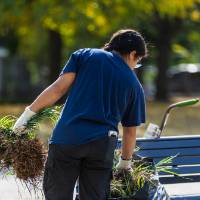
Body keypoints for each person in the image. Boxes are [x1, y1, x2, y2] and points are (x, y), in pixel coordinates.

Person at [13, 29, 148, 200]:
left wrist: (26, 116)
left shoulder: (85, 55)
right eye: (138, 61)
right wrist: (125, 163)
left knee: (57, 195)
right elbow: (130, 131)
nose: (135, 65)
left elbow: (57, 89)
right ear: (133, 54)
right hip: (101, 145)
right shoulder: (134, 85)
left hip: (67, 138)